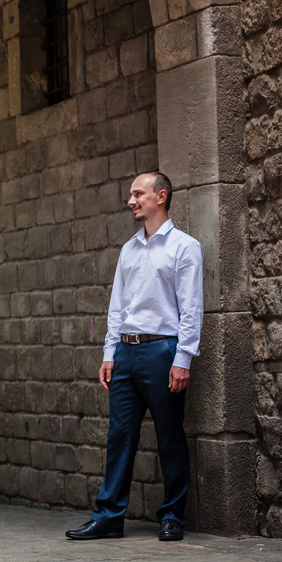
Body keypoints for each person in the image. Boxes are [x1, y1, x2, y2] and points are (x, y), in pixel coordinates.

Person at [66, 172, 203, 542]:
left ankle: (172, 516)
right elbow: (117, 307)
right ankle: (109, 516)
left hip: (163, 351)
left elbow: (191, 308)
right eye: (131, 195)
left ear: (161, 196)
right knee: (119, 436)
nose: (131, 200)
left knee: (170, 436)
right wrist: (109, 353)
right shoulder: (128, 249)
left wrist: (183, 359)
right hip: (125, 352)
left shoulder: (184, 247)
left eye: (138, 194)